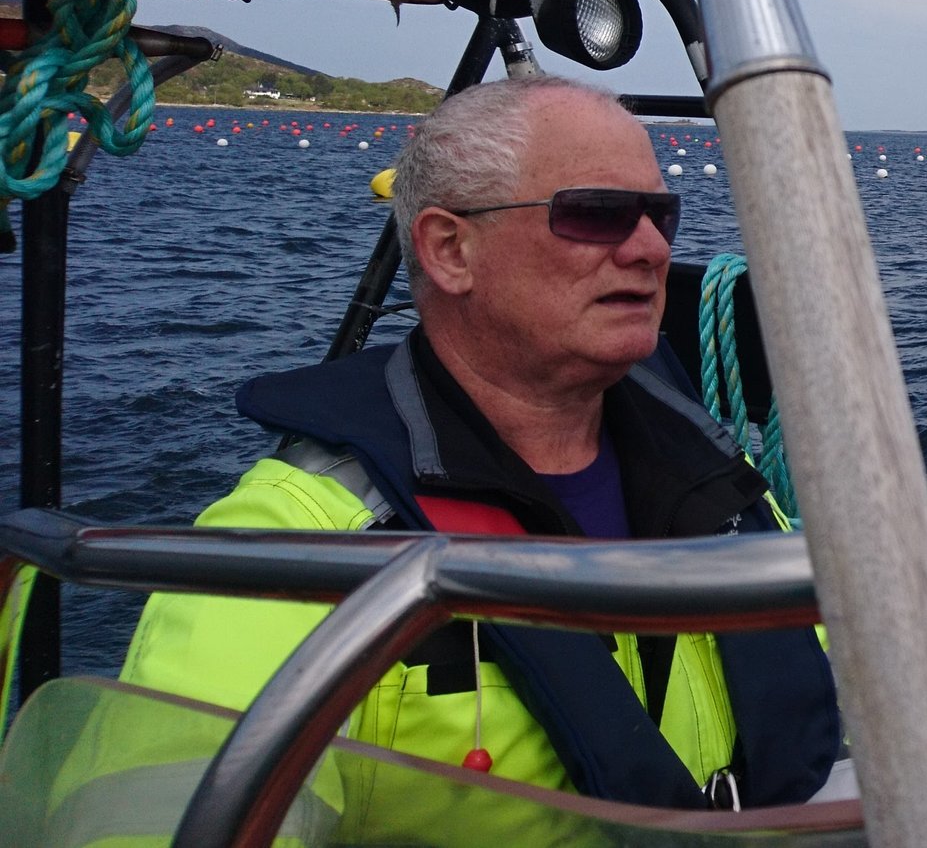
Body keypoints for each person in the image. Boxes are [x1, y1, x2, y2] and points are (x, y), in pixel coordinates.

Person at [119, 76, 843, 812]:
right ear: (450, 249)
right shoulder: (297, 546)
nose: (652, 249)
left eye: (662, 214)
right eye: (597, 214)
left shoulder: (713, 471)